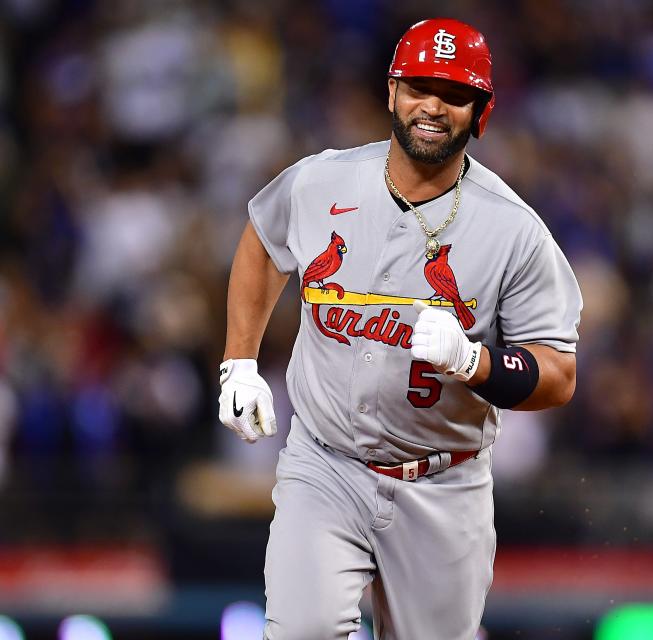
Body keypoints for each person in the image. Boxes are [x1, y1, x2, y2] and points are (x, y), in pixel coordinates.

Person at [217, 17, 582, 640]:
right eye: (417, 86)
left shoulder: (515, 230)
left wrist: (476, 364)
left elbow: (558, 375)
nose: (432, 106)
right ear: (390, 92)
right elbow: (260, 241)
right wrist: (240, 362)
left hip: (443, 480)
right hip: (326, 463)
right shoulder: (320, 181)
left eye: (454, 92)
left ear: (482, 112)